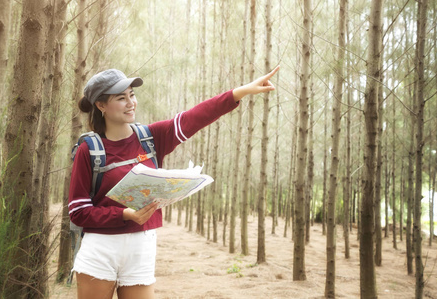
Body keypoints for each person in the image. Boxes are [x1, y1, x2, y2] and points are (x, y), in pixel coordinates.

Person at [68, 65, 280, 299]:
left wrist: (241, 92)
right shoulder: (89, 150)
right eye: (121, 98)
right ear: (101, 105)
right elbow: (78, 212)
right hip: (100, 249)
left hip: (142, 247)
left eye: (132, 95)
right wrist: (124, 215)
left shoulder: (151, 138)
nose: (131, 103)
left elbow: (194, 118)